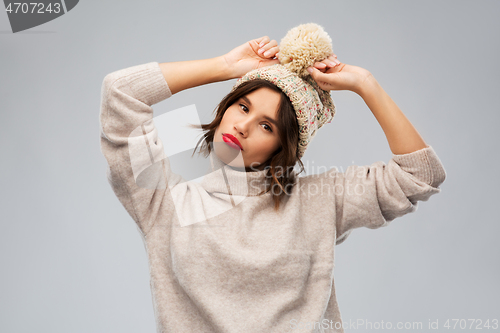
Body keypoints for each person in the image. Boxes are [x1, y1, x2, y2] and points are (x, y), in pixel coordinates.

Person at [99, 23, 446, 333]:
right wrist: (224, 67)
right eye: (243, 106)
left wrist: (363, 83)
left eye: (267, 126)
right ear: (225, 108)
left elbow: (420, 174)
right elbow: (120, 94)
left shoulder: (317, 201)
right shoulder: (166, 203)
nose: (243, 126)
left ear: (283, 147)